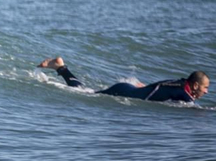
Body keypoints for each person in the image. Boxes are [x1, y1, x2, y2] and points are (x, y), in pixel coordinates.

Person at [38, 57, 208, 103]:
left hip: (128, 89)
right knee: (84, 92)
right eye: (205, 87)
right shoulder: (183, 92)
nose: (206, 91)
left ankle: (61, 67)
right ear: (195, 85)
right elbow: (196, 109)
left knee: (87, 91)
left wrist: (146, 88)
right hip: (124, 91)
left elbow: (162, 85)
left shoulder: (181, 84)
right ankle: (61, 67)